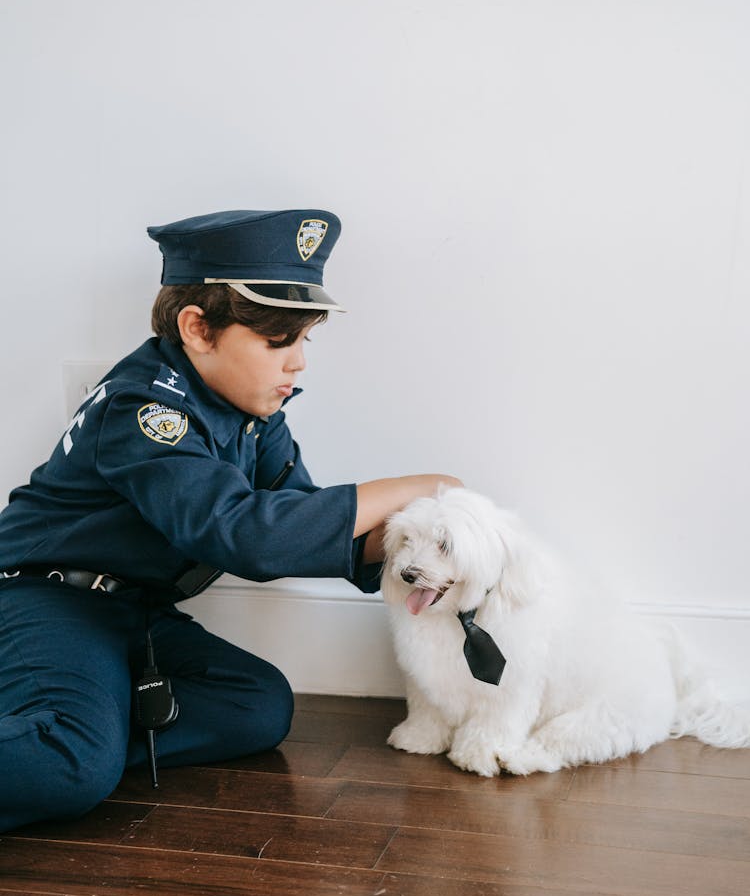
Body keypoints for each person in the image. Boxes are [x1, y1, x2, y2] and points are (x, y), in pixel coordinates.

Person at [0, 208, 460, 833]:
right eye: (278, 342)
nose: (298, 363)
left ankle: (70, 733)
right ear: (197, 328)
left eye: (304, 341)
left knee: (256, 705)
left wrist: (427, 542)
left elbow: (298, 520)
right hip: (43, 602)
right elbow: (247, 535)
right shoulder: (145, 410)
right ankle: (69, 747)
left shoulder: (253, 414)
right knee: (71, 763)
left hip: (129, 614)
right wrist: (420, 484)